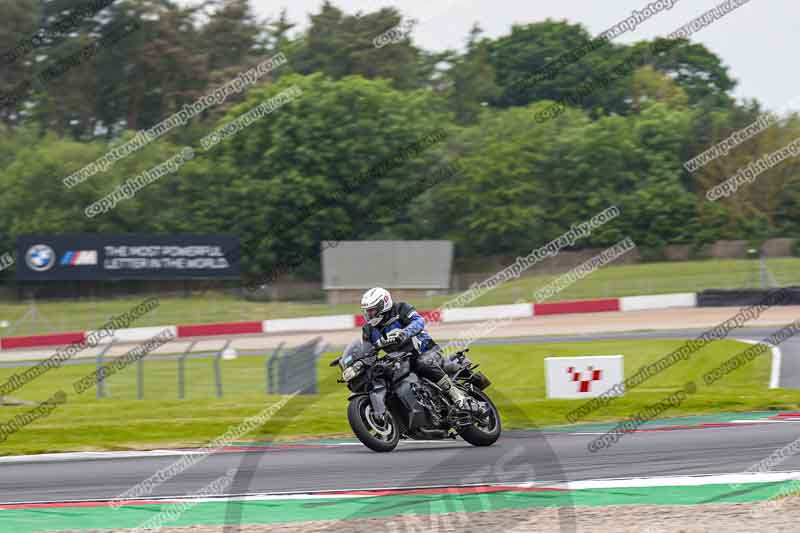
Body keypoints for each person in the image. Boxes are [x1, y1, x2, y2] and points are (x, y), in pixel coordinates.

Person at [360, 287, 485, 413]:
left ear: (383, 305)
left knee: (422, 363)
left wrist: (404, 333)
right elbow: (367, 351)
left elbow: (419, 321)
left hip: (425, 350)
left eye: (372, 310)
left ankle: (456, 395)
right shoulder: (368, 329)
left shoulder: (401, 308)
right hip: (400, 360)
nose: (369, 314)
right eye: (367, 311)